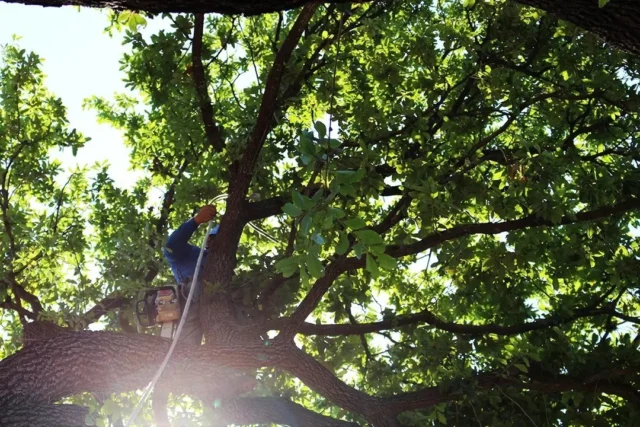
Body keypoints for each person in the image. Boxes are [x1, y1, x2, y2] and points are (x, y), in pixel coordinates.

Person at [162, 205, 218, 345]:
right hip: (193, 295)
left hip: (219, 303)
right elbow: (171, 248)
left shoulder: (224, 266)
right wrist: (196, 220)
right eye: (215, 238)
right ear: (209, 239)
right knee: (186, 349)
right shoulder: (192, 253)